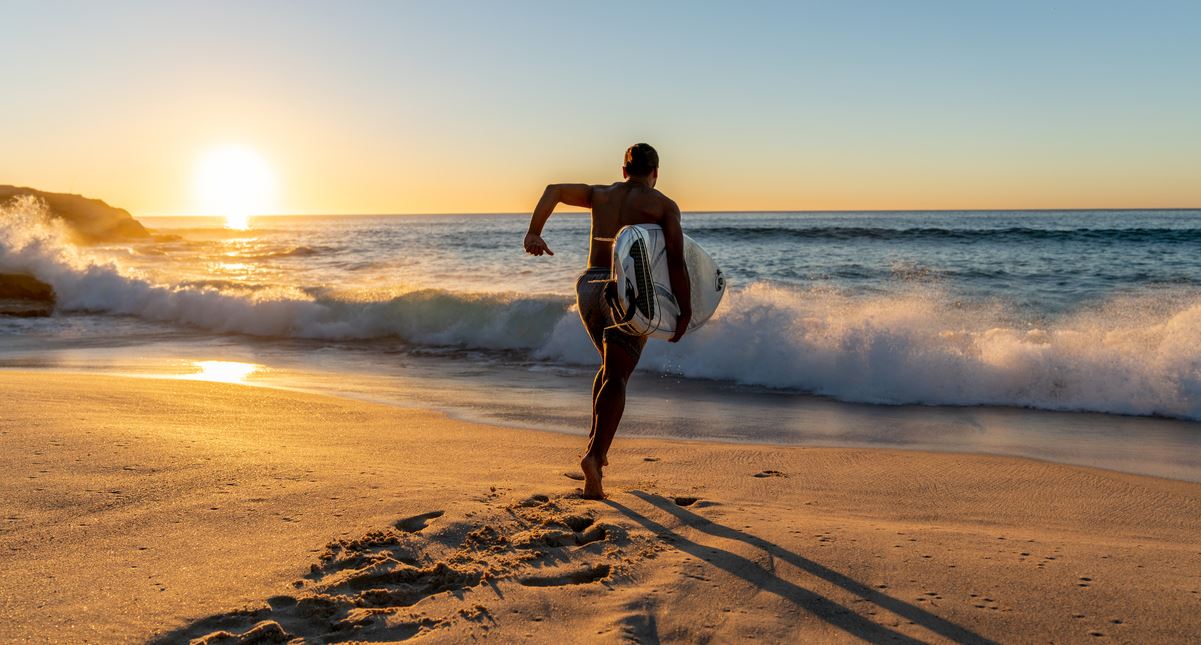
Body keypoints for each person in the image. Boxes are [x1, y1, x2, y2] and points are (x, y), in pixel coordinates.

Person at [523, 143, 691, 499]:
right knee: (618, 374)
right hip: (623, 292)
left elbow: (553, 190)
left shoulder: (601, 195)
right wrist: (685, 310)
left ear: (623, 169)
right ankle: (595, 458)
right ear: (656, 172)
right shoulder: (662, 205)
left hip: (588, 287)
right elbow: (675, 262)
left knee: (609, 367)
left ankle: (593, 449)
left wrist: (534, 231)